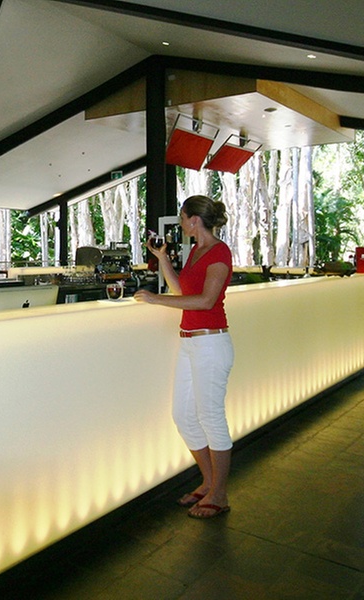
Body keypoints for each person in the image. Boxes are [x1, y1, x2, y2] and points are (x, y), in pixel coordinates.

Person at [134, 195, 234, 519]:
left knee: (211, 418)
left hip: (211, 343)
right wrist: (162, 258)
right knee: (183, 416)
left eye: (182, 218)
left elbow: (206, 301)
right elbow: (182, 291)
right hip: (190, 343)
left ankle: (220, 494)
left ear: (194, 220)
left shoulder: (219, 252)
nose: (180, 223)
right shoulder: (195, 251)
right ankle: (209, 482)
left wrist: (155, 299)